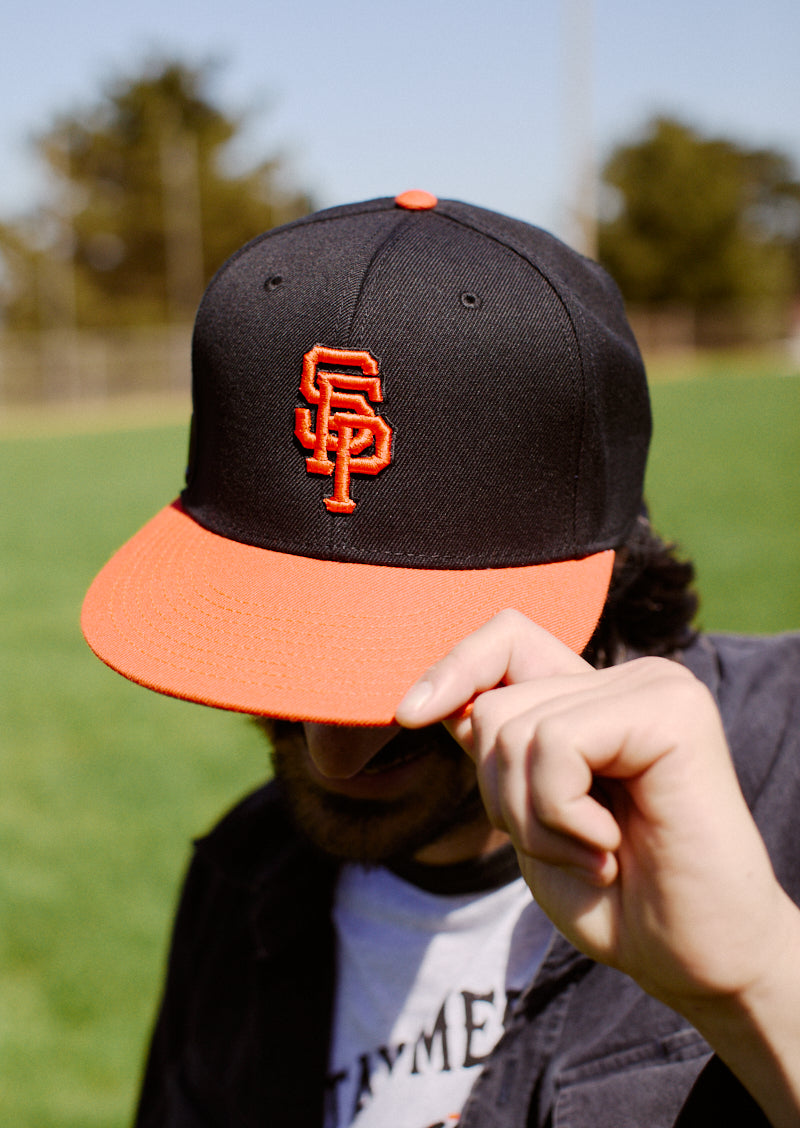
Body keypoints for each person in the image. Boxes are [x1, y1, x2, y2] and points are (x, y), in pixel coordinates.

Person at [81, 190, 800, 1128]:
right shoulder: (241, 878)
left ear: (606, 568)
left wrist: (756, 981)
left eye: (417, 667)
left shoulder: (786, 777)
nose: (333, 757)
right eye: (278, 653)